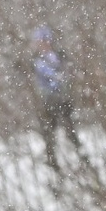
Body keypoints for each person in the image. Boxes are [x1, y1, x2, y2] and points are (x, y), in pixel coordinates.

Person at [30, 24, 80, 171]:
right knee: (49, 132)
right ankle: (53, 161)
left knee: (69, 128)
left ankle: (79, 154)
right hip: (48, 100)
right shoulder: (38, 60)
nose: (43, 45)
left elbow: (66, 72)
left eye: (44, 41)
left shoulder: (58, 56)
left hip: (62, 98)